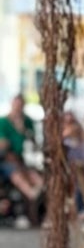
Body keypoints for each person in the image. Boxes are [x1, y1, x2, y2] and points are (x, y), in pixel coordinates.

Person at [0, 93, 46, 226]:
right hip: (6, 160)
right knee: (16, 172)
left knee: (32, 173)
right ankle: (31, 193)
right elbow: (3, 145)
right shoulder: (3, 122)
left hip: (21, 159)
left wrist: (23, 131)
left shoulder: (27, 121)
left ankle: (39, 191)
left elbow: (33, 141)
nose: (18, 109)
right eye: (16, 105)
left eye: (21, 106)